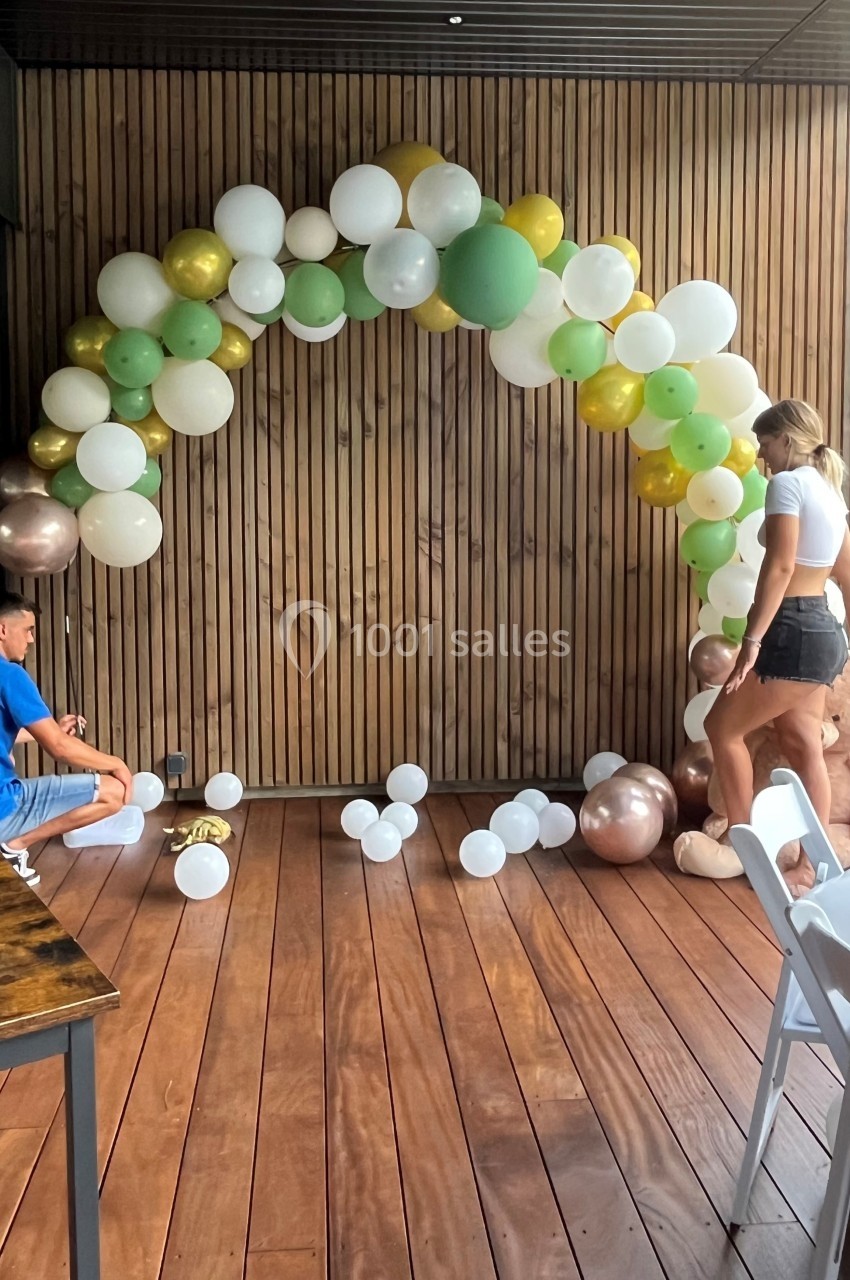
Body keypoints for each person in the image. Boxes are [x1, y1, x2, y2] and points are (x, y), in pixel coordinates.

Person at [674, 399, 850, 886]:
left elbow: (779, 567)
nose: (761, 456)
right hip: (823, 628)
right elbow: (846, 574)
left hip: (791, 628)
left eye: (765, 444)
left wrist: (752, 640)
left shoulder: (788, 484)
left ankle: (745, 845)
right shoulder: (830, 492)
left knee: (722, 727)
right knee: (801, 744)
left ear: (788, 442)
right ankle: (814, 867)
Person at [0, 592, 132, 887]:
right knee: (114, 791)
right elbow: (58, 748)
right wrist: (115, 762)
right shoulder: (10, 675)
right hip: (3, 807)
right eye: (28, 630)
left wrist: (52, 729)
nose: (31, 640)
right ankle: (13, 844)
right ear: (3, 630)